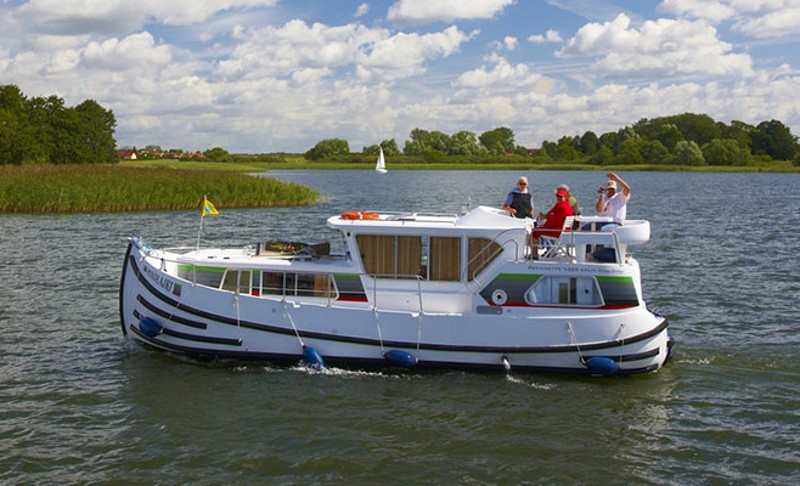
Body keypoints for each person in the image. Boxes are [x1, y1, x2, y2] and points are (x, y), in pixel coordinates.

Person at [530, 188, 574, 253]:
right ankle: (550, 251)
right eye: (557, 196)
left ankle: (534, 254)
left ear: (565, 197)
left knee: (534, 232)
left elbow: (554, 222)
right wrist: (546, 218)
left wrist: (543, 225)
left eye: (560, 197)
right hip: (563, 231)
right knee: (537, 230)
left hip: (557, 232)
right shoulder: (567, 206)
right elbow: (552, 217)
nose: (558, 198)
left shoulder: (561, 207)